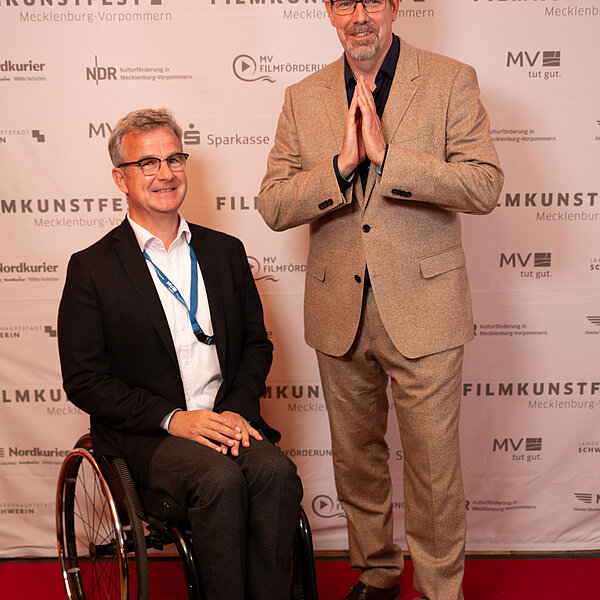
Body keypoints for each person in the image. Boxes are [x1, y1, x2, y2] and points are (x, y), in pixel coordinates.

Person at [258, 1, 503, 598]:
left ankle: (440, 589)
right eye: (346, 2)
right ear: (329, 12)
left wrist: (391, 160)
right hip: (338, 312)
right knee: (355, 459)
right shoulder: (302, 96)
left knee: (433, 466)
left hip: (427, 309)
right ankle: (378, 571)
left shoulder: (450, 79)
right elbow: (273, 204)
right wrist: (341, 167)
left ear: (394, 7)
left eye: (373, 0)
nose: (360, 15)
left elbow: (484, 185)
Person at [58, 108, 303, 600]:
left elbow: (256, 344)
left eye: (174, 159)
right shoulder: (92, 268)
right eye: (147, 163)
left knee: (275, 472)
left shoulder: (225, 251)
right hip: (150, 435)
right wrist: (174, 419)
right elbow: (85, 380)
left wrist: (236, 409)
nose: (165, 174)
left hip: (225, 419)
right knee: (219, 481)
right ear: (121, 179)